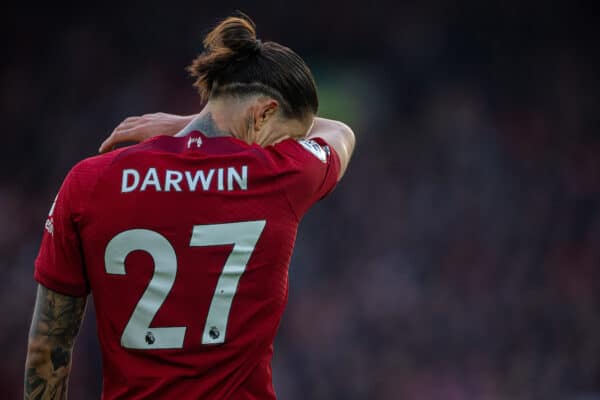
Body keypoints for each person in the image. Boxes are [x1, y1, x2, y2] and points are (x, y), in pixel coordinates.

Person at [24, 14, 355, 400]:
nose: (282, 149)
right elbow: (339, 131)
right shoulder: (281, 176)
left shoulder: (89, 181)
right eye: (285, 138)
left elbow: (48, 345)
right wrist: (180, 122)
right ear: (263, 113)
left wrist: (192, 124)